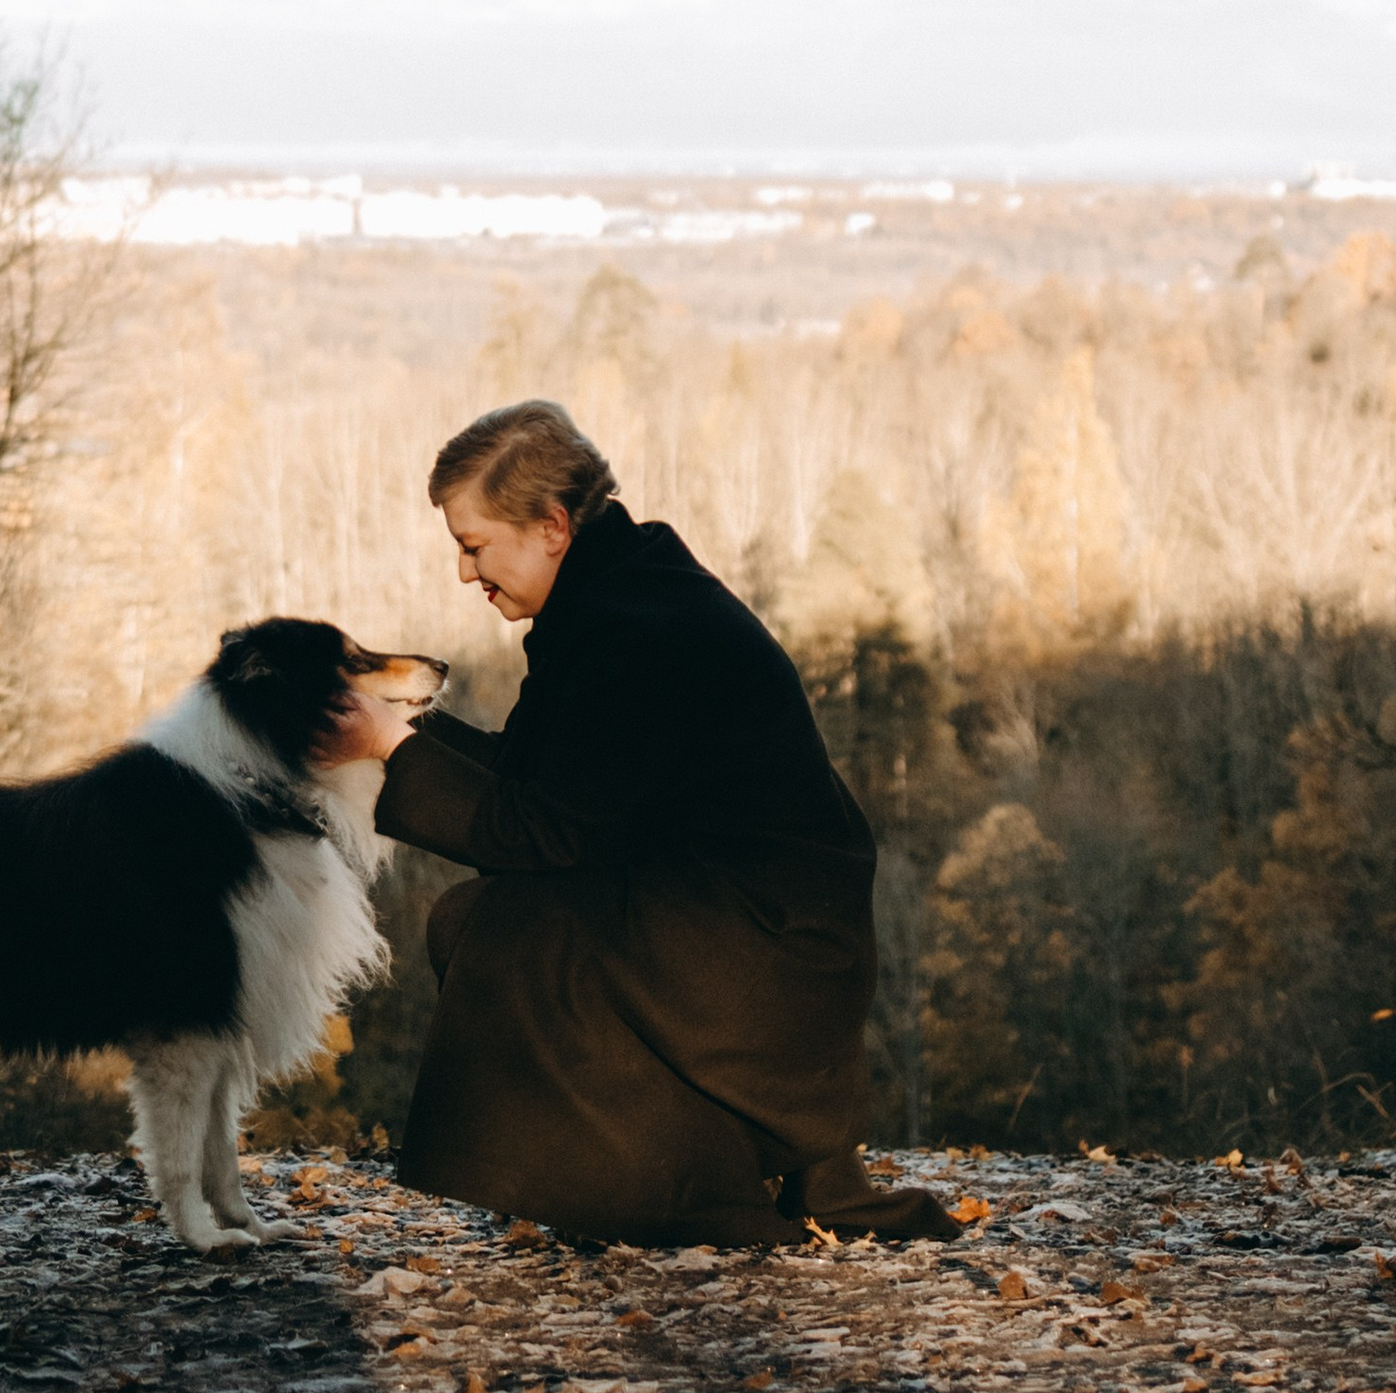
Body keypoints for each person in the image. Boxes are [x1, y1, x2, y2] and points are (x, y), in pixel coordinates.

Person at [328, 398, 954, 1251]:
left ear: (551, 525)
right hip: (724, 916)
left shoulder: (632, 624)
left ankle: (695, 1195)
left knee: (498, 928)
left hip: (769, 945)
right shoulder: (614, 590)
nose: (466, 574)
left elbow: (539, 830)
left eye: (474, 546)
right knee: (479, 919)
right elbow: (540, 775)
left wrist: (391, 745)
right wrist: (391, 728)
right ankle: (689, 1172)